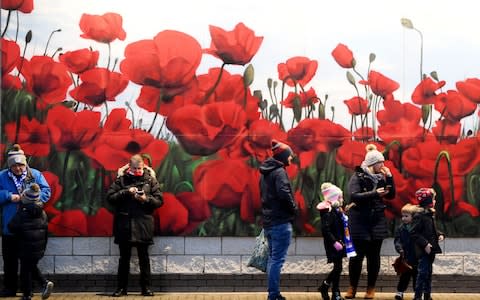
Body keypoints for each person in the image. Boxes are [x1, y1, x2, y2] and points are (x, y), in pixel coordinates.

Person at [107, 154, 163, 297]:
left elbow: (159, 201)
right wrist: (126, 192)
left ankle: (146, 288)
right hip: (124, 225)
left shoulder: (150, 180)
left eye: (140, 168)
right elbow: (110, 198)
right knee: (124, 259)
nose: (138, 170)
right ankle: (121, 288)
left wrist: (145, 199)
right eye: (135, 168)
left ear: (144, 166)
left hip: (143, 225)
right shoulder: (122, 180)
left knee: (144, 258)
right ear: (129, 167)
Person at [0, 144, 51, 297]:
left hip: (29, 227)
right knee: (9, 259)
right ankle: (10, 288)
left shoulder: (35, 174)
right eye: (14, 165)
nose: (18, 168)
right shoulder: (2, 176)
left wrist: (33, 201)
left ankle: (27, 290)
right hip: (10, 225)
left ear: (25, 163)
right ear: (10, 166)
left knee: (27, 261)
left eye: (21, 164)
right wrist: (9, 196)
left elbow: (47, 191)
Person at [345, 144, 395, 299]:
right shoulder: (358, 176)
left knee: (374, 257)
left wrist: (390, 178)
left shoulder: (381, 178)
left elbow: (391, 195)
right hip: (360, 221)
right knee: (357, 258)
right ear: (373, 164)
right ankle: (352, 287)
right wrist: (374, 194)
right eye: (381, 162)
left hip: (377, 221)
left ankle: (371, 288)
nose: (383, 165)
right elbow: (354, 196)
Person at [259, 140, 298, 300]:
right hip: (280, 222)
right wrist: (293, 208)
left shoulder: (265, 173)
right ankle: (273, 295)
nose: (291, 158)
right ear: (283, 156)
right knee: (277, 260)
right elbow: (283, 192)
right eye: (289, 156)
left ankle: (273, 293)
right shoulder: (279, 172)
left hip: (269, 222)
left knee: (273, 259)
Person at [8, 184, 54, 300]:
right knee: (31, 267)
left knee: (25, 271)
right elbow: (45, 231)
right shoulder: (43, 214)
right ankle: (44, 284)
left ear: (25, 199)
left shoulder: (22, 214)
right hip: (38, 249)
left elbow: (11, 227)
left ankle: (28, 294)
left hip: (24, 248)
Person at [316, 183, 352, 300]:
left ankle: (327, 287)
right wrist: (334, 242)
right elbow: (326, 229)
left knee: (338, 267)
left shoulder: (337, 210)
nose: (342, 200)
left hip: (340, 242)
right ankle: (334, 292)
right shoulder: (327, 211)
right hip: (334, 243)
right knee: (338, 267)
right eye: (339, 197)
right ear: (333, 198)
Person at [411, 188, 445, 300]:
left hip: (431, 250)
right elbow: (414, 232)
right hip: (423, 250)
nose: (435, 201)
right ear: (428, 201)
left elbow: (431, 230)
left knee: (428, 274)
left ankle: (427, 295)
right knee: (422, 274)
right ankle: (417, 296)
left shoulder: (430, 215)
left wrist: (439, 234)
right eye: (433, 199)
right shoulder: (420, 215)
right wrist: (425, 244)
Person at [393, 203, 420, 300]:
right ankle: (400, 292)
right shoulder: (401, 228)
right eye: (402, 216)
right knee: (404, 276)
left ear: (413, 217)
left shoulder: (418, 228)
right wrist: (399, 248)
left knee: (417, 277)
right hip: (406, 257)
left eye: (406, 216)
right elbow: (397, 240)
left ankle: (417, 293)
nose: (403, 218)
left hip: (417, 257)